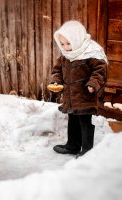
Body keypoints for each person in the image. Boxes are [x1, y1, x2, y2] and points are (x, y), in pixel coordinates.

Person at [50, 20, 107, 158]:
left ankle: (87, 150)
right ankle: (73, 145)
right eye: (62, 44)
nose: (66, 47)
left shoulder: (91, 53)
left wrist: (93, 84)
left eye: (69, 43)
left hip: (85, 95)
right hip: (70, 97)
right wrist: (56, 81)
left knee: (84, 122)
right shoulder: (65, 56)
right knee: (72, 120)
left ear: (77, 39)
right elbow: (57, 71)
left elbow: (99, 71)